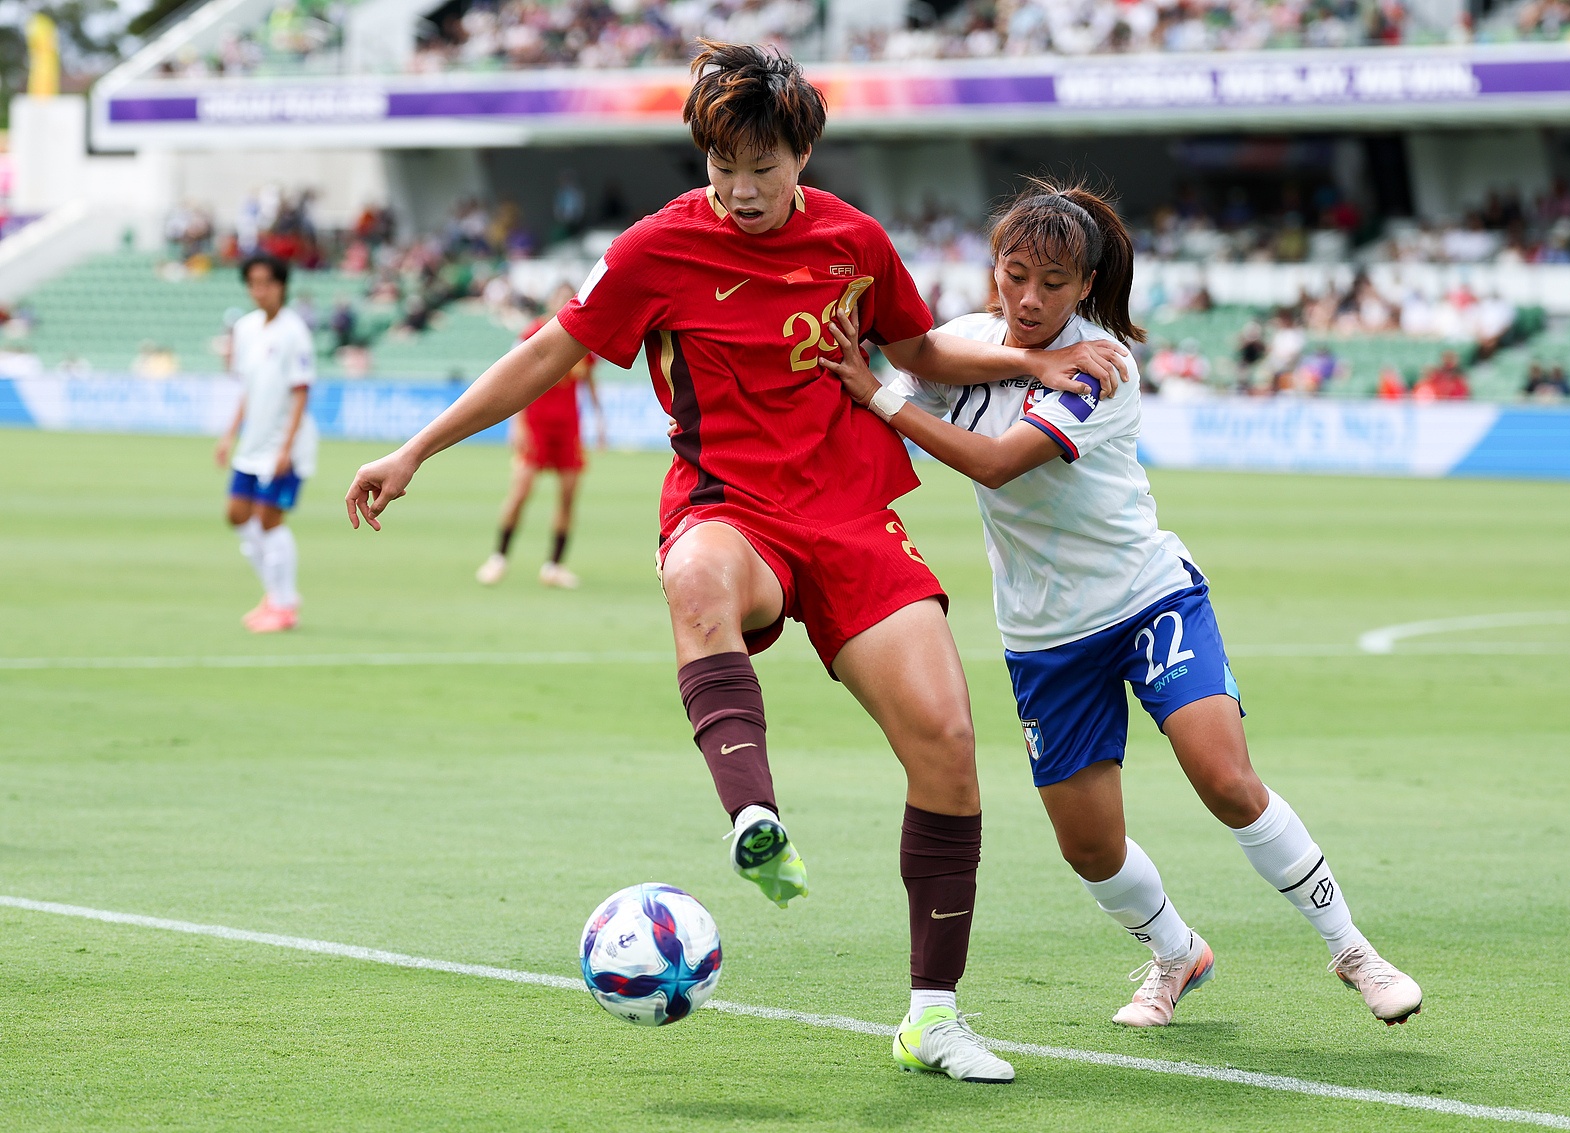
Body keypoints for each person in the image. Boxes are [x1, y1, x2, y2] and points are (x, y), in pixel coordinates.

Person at [343, 43, 1128, 1084]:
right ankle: (753, 813)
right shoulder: (654, 248)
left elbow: (919, 354)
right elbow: (547, 350)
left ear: (802, 154)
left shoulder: (853, 239)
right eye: (723, 167)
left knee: (946, 741)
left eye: (762, 167)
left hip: (849, 515)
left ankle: (933, 1018)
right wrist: (414, 450)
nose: (741, 189)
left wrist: (1035, 356)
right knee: (695, 579)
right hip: (730, 507)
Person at [821, 179, 1423, 1031]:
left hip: (1147, 598)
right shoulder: (966, 344)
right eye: (1016, 275)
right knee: (1089, 845)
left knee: (1224, 778)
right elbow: (906, 388)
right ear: (994, 268)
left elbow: (995, 463)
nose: (1030, 299)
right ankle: (1176, 953)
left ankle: (1353, 949)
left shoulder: (1101, 364)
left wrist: (879, 392)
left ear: (1086, 284)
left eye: (1053, 283)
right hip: (1043, 634)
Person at [476, 285, 607, 589]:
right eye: (559, 297)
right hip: (536, 425)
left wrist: (600, 421)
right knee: (520, 493)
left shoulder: (585, 337)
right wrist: (517, 424)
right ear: (550, 301)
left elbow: (589, 382)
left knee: (568, 497)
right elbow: (516, 379)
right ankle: (498, 558)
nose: (563, 302)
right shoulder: (534, 333)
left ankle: (554, 566)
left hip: (569, 428)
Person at [215, 253, 316, 633]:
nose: (259, 291)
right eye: (253, 284)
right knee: (236, 515)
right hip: (252, 444)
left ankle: (284, 605)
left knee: (269, 520)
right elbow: (248, 388)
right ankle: (276, 593)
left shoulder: (294, 332)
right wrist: (230, 434)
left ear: (281, 286)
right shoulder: (245, 328)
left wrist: (286, 448)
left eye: (267, 283)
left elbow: (302, 391)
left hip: (284, 444)